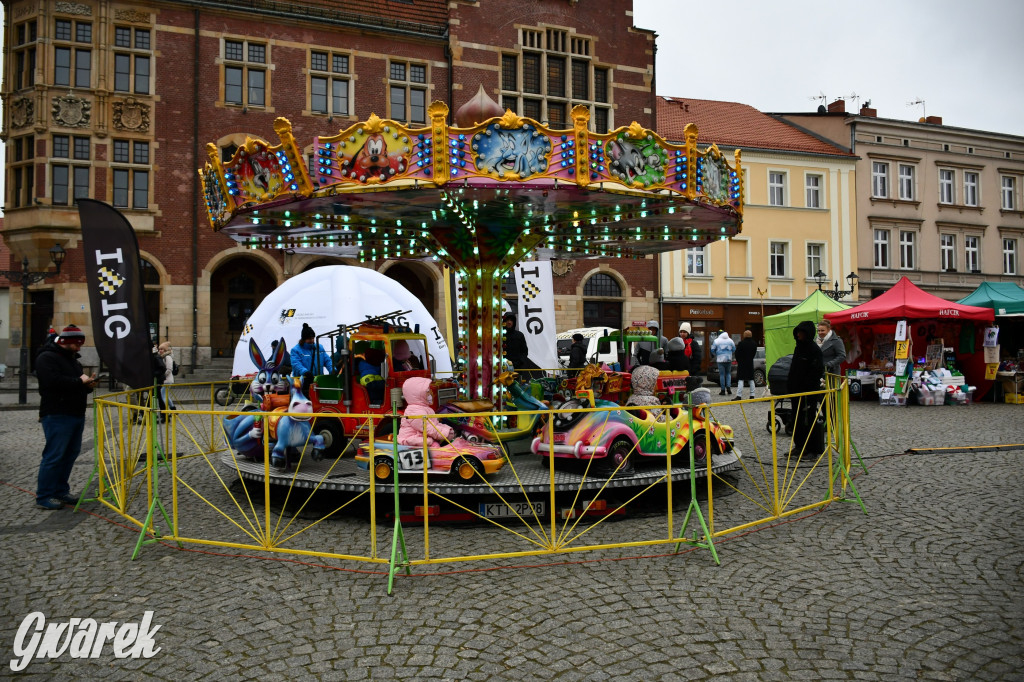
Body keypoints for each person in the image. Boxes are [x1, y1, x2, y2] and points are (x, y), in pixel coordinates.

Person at [34, 325, 97, 510]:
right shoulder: (46, 358)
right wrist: (80, 382)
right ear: (65, 342)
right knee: (54, 455)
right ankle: (44, 495)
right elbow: (52, 382)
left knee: (70, 454)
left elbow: (76, 382)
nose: (79, 348)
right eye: (76, 344)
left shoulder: (73, 360)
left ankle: (61, 490)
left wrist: (88, 385)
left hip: (75, 413)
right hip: (57, 413)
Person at [788, 320, 826, 455]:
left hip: (808, 393)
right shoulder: (798, 348)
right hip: (796, 392)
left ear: (807, 334)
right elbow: (794, 369)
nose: (798, 335)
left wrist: (807, 387)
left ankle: (810, 448)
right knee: (796, 419)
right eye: (797, 332)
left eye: (801, 332)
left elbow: (817, 371)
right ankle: (799, 446)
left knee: (808, 420)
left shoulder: (814, 350)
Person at [397, 376, 456, 448]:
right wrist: (445, 432)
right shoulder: (414, 411)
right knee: (436, 447)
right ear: (419, 395)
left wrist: (448, 429)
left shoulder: (424, 408)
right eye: (427, 392)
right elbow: (427, 428)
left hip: (421, 437)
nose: (431, 394)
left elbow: (434, 424)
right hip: (412, 439)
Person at [502, 312, 541, 379]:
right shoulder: (500, 335)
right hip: (502, 368)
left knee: (516, 387)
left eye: (511, 320)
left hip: (517, 369)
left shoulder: (519, 335)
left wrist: (519, 362)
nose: (509, 322)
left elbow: (524, 351)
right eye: (507, 320)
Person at [666, 322, 703, 389]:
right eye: (681, 332)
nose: (682, 334)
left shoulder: (693, 343)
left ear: (688, 333)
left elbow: (697, 359)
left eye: (684, 332)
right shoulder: (676, 342)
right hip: (677, 372)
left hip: (691, 372)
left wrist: (692, 371)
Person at [710, 330, 736, 395]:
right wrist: (729, 354)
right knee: (728, 374)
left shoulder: (716, 341)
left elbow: (712, 349)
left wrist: (716, 354)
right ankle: (728, 388)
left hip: (720, 359)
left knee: (722, 375)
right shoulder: (730, 340)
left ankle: (723, 390)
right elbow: (734, 349)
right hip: (728, 359)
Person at [734, 330, 758, 401]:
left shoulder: (741, 343)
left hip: (742, 363)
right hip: (750, 363)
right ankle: (752, 395)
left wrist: (739, 360)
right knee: (751, 379)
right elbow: (754, 353)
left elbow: (737, 354)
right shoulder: (754, 343)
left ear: (744, 335)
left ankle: (739, 395)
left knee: (741, 380)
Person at [156, 341, 177, 417]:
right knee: (165, 396)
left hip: (167, 380)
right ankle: (173, 409)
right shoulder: (162, 357)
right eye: (160, 349)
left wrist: (162, 375)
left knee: (162, 396)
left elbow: (169, 369)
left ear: (165, 350)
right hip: (165, 380)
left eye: (162, 349)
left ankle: (165, 412)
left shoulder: (167, 357)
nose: (160, 350)